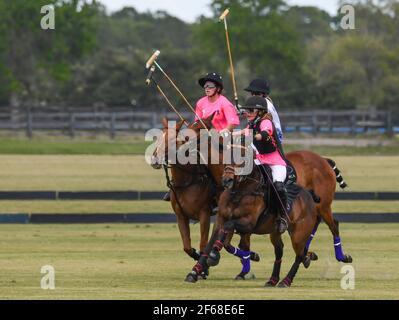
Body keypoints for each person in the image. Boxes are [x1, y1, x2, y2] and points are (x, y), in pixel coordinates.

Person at [163, 72, 240, 201]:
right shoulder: (201, 103)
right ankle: (176, 185)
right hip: (203, 138)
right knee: (183, 152)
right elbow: (197, 122)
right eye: (205, 86)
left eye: (210, 86)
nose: (207, 88)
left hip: (221, 138)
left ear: (218, 88)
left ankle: (218, 188)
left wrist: (222, 132)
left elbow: (233, 122)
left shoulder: (224, 103)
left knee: (210, 157)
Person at [240, 96, 288, 234]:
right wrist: (223, 135)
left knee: (278, 186)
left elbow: (265, 134)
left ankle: (283, 216)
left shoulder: (265, 121)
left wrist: (253, 136)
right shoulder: (251, 124)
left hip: (275, 162)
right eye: (246, 110)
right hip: (259, 160)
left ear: (260, 112)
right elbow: (241, 132)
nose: (247, 113)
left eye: (250, 110)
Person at [244, 78, 283, 144]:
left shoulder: (264, 104)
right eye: (252, 93)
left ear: (264, 94)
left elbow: (253, 118)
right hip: (265, 134)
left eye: (257, 93)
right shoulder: (265, 102)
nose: (254, 96)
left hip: (270, 138)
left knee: (241, 149)